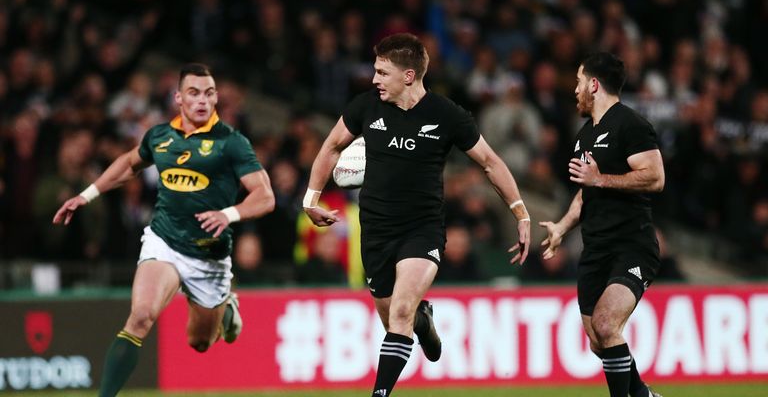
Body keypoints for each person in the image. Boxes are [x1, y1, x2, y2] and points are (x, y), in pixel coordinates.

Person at [302, 33, 530, 397]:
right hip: (375, 231)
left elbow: (490, 162)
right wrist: (310, 199)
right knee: (394, 315)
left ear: (408, 76)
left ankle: (379, 394)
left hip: (421, 230)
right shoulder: (365, 107)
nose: (374, 79)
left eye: (382, 72)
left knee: (401, 310)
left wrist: (521, 214)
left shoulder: (447, 115)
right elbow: (331, 147)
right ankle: (425, 322)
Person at [52, 63, 275, 397]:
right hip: (165, 241)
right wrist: (87, 195)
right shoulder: (160, 137)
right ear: (178, 98)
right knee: (140, 317)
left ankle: (226, 304)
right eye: (194, 93)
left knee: (199, 343)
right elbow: (129, 164)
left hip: (209, 256)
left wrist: (229, 214)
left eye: (209, 93)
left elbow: (265, 196)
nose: (202, 100)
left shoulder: (231, 143)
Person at [539, 52, 664, 397]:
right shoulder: (584, 134)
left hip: (631, 245)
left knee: (608, 325)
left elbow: (654, 177)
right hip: (596, 250)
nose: (575, 90)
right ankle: (643, 395)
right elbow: (585, 193)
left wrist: (601, 179)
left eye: (579, 82)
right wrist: (562, 227)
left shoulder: (631, 124)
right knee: (598, 341)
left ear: (594, 85)